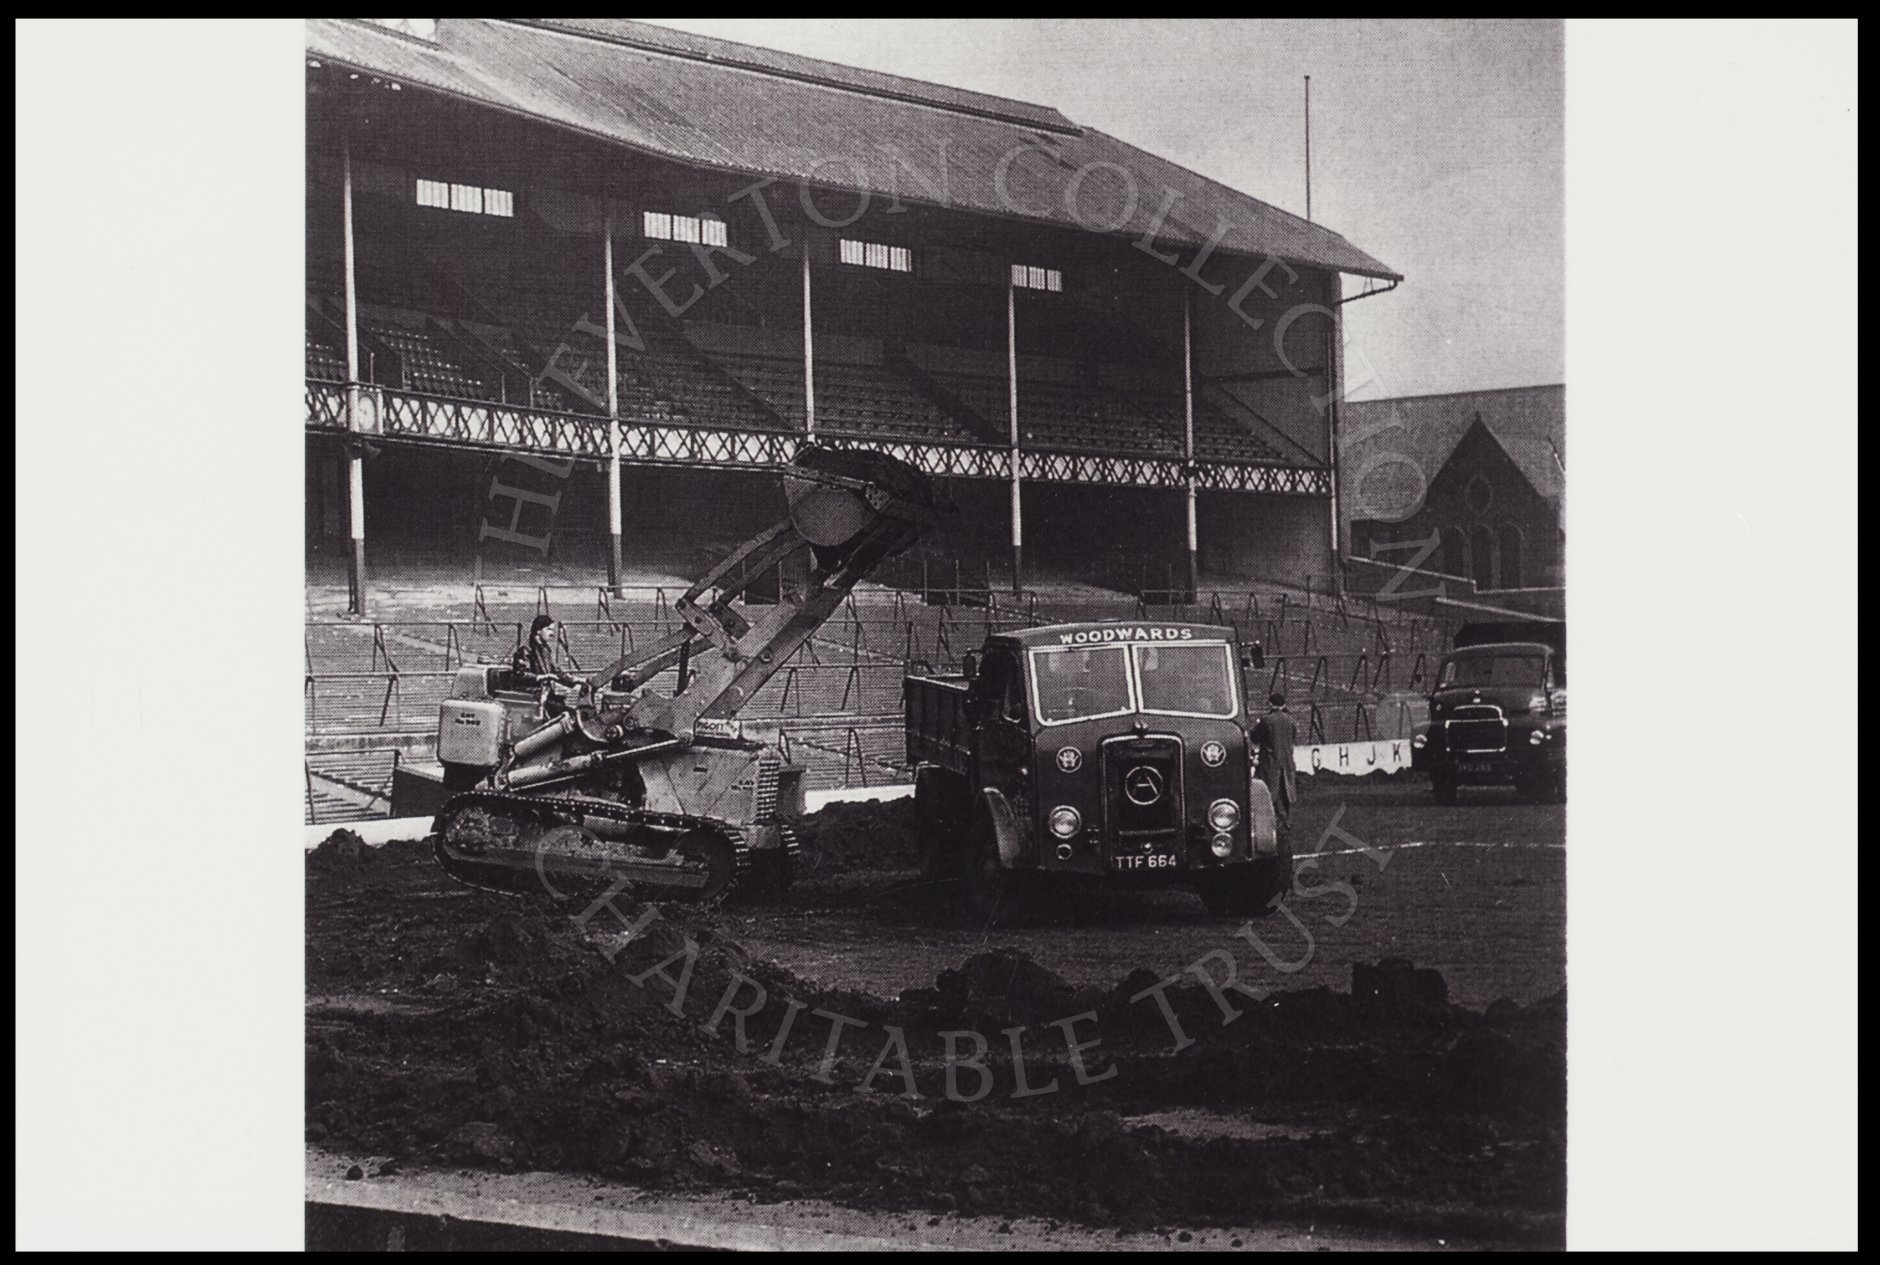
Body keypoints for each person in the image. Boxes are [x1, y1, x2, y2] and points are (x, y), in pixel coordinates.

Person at [1250, 689, 1298, 831]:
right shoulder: (1291, 720)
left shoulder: (1267, 721)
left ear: (1271, 704)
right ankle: (1286, 820)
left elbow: (1255, 737)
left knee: (1270, 792)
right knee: (1286, 792)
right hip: (1287, 761)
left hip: (1270, 761)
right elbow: (1293, 737)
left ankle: (1271, 822)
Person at [511, 615, 580, 703]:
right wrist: (543, 677)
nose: (552, 633)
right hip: (530, 695)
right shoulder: (525, 651)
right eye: (549, 629)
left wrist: (575, 680)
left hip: (544, 694)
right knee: (563, 711)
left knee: (567, 710)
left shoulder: (545, 650)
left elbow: (556, 671)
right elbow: (521, 675)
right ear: (538, 630)